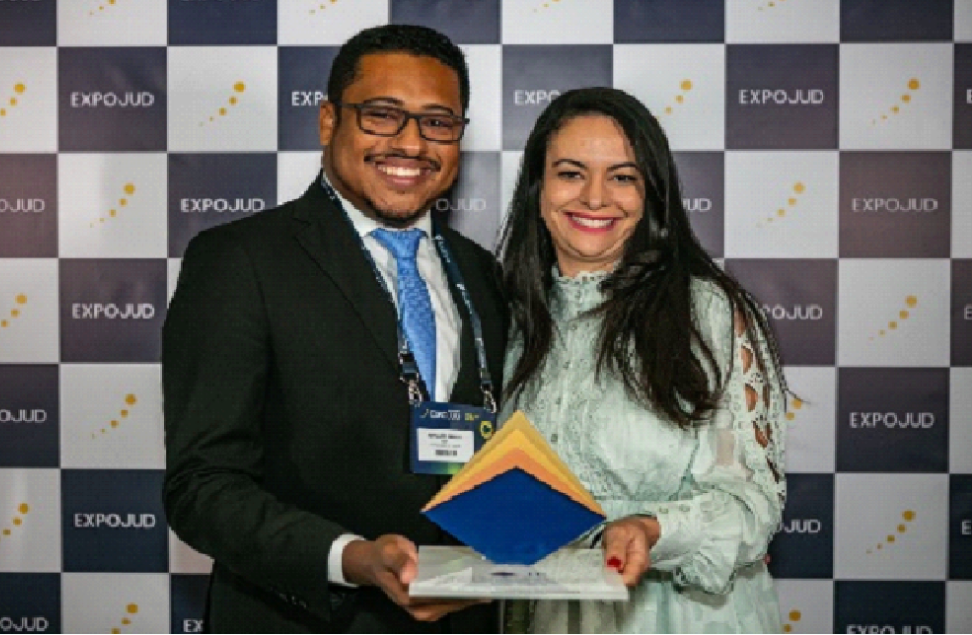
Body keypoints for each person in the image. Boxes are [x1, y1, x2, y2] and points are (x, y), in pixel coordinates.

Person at [163, 24, 507, 633]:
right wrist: (350, 557)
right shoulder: (241, 259)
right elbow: (202, 487)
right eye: (381, 116)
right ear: (328, 122)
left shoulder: (481, 273)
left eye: (438, 122)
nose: (411, 143)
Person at [496, 87, 788, 633]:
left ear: (651, 192)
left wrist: (653, 529)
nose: (595, 197)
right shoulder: (508, 315)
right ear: (538, 186)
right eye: (570, 173)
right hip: (544, 614)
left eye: (623, 176)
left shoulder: (709, 311)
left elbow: (755, 506)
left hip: (677, 617)